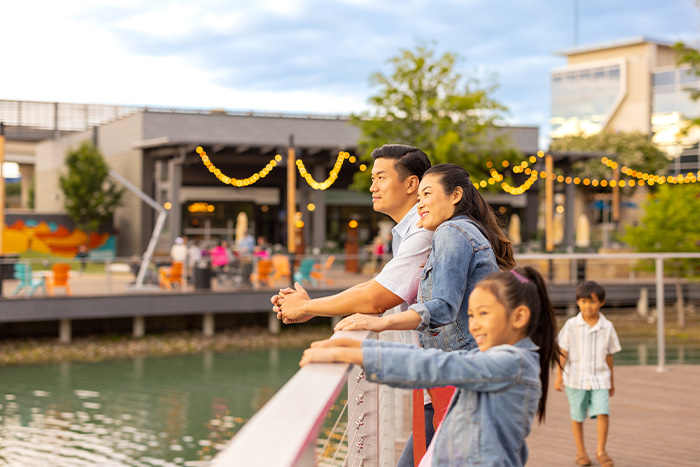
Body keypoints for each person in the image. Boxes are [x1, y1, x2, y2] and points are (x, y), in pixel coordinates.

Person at [332, 163, 515, 465]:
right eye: (417, 199)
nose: (420, 205)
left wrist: (380, 322)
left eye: (427, 195)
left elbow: (442, 306)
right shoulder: (466, 230)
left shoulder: (452, 230)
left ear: (456, 194)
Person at [300, 266, 561, 467]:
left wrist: (361, 354)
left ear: (519, 317)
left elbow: (436, 365)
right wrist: (356, 349)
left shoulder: (509, 363)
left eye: (484, 314)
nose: (475, 324)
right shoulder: (502, 359)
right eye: (471, 315)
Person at [273, 144, 433, 326]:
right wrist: (310, 305)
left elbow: (375, 298)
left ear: (411, 184)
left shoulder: (423, 231)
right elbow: (375, 284)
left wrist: (306, 307)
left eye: (381, 178)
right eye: (373, 179)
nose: (373, 188)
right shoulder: (410, 228)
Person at [554, 281, 621, 467]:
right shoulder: (571, 325)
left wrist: (612, 381)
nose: (587, 306)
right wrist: (559, 376)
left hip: (600, 379)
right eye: (583, 301)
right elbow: (563, 352)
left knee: (603, 412)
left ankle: (601, 450)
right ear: (577, 302)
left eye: (592, 302)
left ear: (602, 302)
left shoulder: (607, 327)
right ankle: (580, 451)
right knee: (577, 416)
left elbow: (609, 355)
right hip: (575, 379)